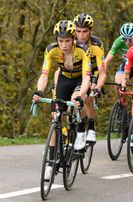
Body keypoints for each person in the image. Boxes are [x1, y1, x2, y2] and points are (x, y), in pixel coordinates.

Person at [32, 20, 91, 179]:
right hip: (64, 80)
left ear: (73, 39)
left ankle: (80, 131)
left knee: (76, 100)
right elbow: (45, 75)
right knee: (55, 116)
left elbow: (87, 77)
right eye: (60, 41)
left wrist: (80, 95)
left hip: (80, 80)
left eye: (67, 41)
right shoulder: (51, 50)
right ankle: (51, 162)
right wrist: (38, 91)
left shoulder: (82, 50)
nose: (64, 45)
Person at [73, 13, 106, 142]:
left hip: (94, 71)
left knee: (89, 97)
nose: (81, 35)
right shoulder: (71, 42)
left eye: (85, 31)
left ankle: (91, 126)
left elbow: (102, 70)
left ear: (91, 31)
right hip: (78, 72)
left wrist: (97, 87)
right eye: (78, 31)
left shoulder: (96, 44)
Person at [104, 23, 133, 95]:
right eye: (125, 39)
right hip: (127, 64)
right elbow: (107, 60)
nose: (128, 42)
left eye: (130, 39)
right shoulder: (119, 41)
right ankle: (120, 103)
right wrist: (101, 74)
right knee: (118, 84)